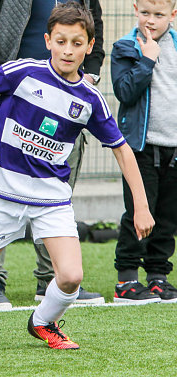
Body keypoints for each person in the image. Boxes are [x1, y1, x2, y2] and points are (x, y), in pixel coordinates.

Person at [0, 2, 154, 349]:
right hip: (2, 194)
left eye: (77, 43)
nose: (68, 50)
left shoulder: (90, 99)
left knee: (72, 276)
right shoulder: (24, 71)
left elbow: (122, 149)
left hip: (51, 199)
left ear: (90, 47)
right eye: (61, 41)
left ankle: (43, 322)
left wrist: (141, 206)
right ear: (48, 40)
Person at [0, 0, 106, 309]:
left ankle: (50, 279)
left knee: (58, 183)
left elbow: (94, 19)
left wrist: (89, 73)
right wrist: (8, 76)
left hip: (68, 97)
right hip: (12, 90)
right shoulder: (18, 75)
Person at [111, 0, 177, 303]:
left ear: (173, 15)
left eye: (159, 15)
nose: (151, 20)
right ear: (135, 9)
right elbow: (124, 91)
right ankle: (126, 279)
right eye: (146, 13)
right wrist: (148, 60)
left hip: (173, 149)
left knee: (167, 216)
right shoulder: (126, 47)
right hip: (141, 147)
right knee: (139, 212)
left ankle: (158, 276)